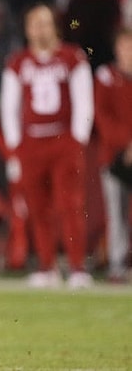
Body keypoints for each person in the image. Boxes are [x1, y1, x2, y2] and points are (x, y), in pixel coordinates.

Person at [0, 3, 94, 289]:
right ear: (27, 29)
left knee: (71, 205)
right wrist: (15, 147)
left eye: (44, 23)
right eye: (34, 23)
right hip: (32, 141)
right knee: (37, 208)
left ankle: (77, 267)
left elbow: (83, 101)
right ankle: (47, 266)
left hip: (63, 138)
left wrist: (78, 139)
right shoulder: (18, 62)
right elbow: (9, 107)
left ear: (54, 26)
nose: (39, 29)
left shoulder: (72, 58)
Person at [94, 27, 132, 283]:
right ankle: (118, 264)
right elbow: (102, 116)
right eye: (124, 47)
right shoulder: (106, 76)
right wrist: (126, 144)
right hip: (114, 156)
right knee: (116, 211)